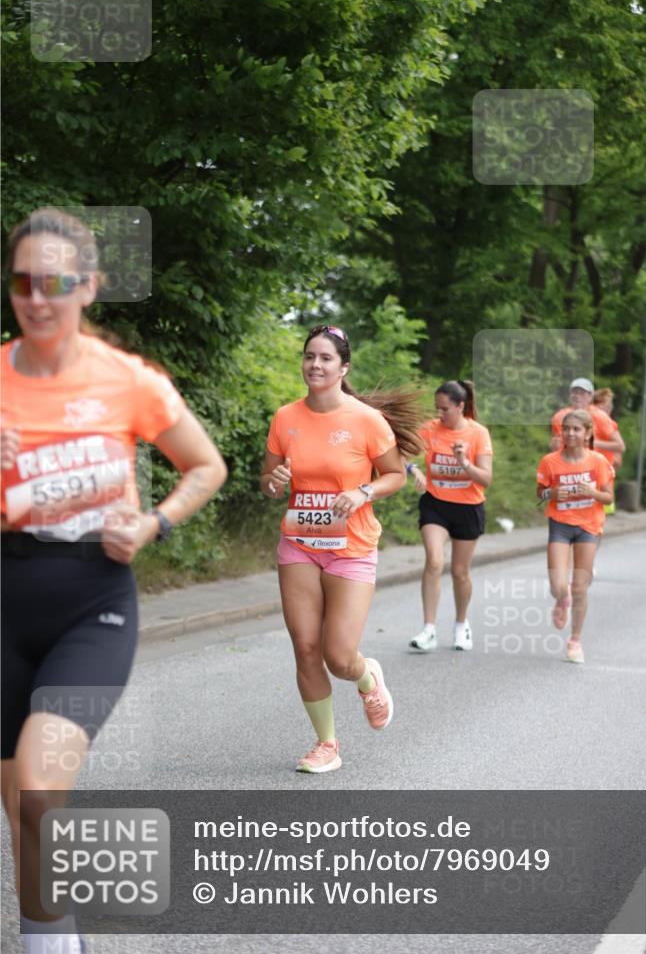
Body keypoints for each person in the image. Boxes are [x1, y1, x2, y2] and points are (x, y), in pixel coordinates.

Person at [1, 209, 227, 954]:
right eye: (24, 281)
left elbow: (206, 465)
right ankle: (49, 938)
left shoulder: (128, 381)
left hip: (92, 600)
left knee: (38, 788)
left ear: (90, 287)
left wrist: (154, 522)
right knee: (22, 809)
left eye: (57, 282)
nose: (39, 298)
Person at [260, 325, 422, 774]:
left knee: (338, 654)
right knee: (306, 647)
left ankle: (367, 676)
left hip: (350, 547)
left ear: (343, 367)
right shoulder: (285, 418)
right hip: (299, 543)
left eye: (326, 358)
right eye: (310, 356)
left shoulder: (366, 420)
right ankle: (326, 744)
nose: (315, 364)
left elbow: (396, 474)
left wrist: (364, 491)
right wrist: (274, 484)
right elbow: (269, 480)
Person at [406, 380, 493, 653]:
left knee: (459, 572)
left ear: (460, 407)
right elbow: (397, 452)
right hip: (436, 504)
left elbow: (486, 479)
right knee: (434, 560)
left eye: (445, 409)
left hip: (468, 507)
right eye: (437, 408)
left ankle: (461, 624)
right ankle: (428, 629)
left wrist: (464, 462)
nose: (439, 414)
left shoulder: (478, 434)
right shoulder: (430, 430)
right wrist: (413, 469)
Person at [537, 409, 614, 664]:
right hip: (560, 524)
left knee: (580, 586)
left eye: (576, 429)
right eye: (566, 428)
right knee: (559, 585)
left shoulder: (598, 462)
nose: (570, 433)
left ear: (588, 433)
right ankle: (562, 599)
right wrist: (551, 494)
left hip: (588, 527)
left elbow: (609, 497)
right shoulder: (550, 461)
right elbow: (540, 493)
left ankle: (575, 641)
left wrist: (592, 492)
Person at [550, 378, 625, 467]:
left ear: (590, 396)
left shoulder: (600, 416)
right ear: (570, 395)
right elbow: (559, 447)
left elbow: (620, 446)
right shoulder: (559, 417)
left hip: (598, 470)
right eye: (574, 392)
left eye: (582, 392)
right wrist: (554, 447)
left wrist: (591, 443)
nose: (577, 396)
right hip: (572, 469)